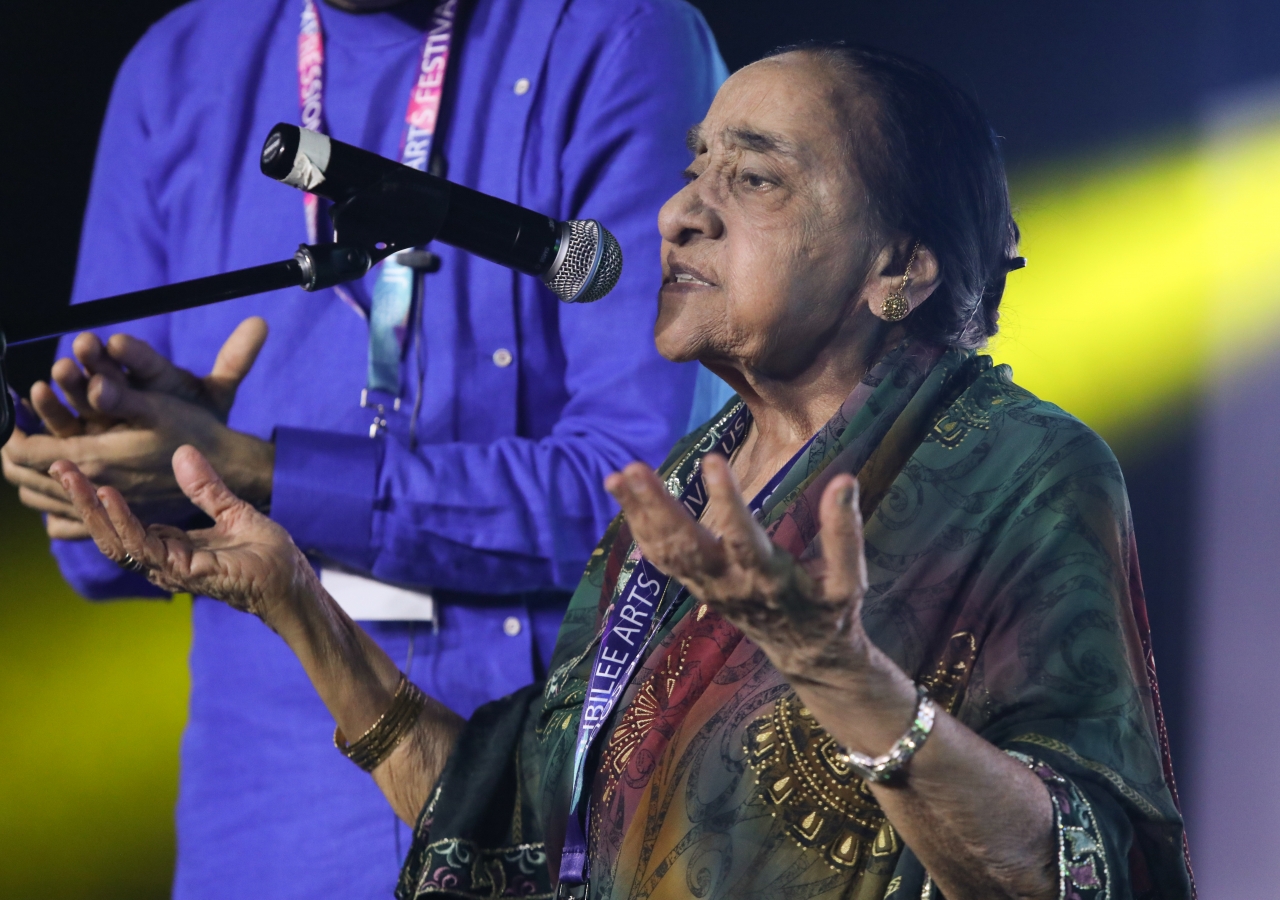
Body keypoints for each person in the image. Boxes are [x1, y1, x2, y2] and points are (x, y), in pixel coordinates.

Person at [49, 43, 1194, 900]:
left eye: (751, 180)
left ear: (896, 266)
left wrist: (839, 676)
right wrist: (294, 601)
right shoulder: (689, 484)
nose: (675, 214)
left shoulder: (1024, 471)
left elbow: (1076, 869)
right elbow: (507, 841)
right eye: (695, 168)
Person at [0, 0, 728, 896]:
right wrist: (121, 472)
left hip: (531, 785)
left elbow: (647, 500)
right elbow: (95, 565)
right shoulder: (179, 62)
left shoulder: (618, 33)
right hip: (264, 818)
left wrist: (254, 469)